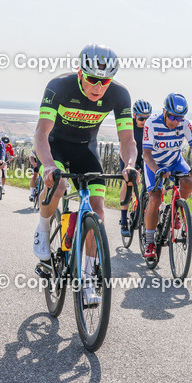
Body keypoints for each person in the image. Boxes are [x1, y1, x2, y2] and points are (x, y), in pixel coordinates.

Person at [32, 44, 137, 305]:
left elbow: (127, 140)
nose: (98, 87)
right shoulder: (59, 87)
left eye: (105, 81)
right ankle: (43, 229)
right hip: (55, 145)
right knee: (57, 187)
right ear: (80, 72)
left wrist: (130, 164)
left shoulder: (120, 95)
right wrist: (47, 165)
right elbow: (41, 134)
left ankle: (89, 278)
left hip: (85, 149)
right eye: (92, 79)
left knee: (98, 210)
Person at [141, 93, 192, 260]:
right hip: (154, 162)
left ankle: (176, 209)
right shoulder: (152, 123)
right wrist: (157, 170)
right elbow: (146, 154)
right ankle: (149, 242)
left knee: (188, 183)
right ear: (164, 111)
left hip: (175, 161)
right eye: (172, 116)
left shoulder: (184, 124)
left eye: (179, 117)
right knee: (155, 197)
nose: (175, 121)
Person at [119, 99, 151, 237]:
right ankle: (124, 219)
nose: (144, 121)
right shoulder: (128, 127)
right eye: (141, 118)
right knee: (128, 184)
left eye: (147, 118)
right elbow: (123, 146)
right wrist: (129, 165)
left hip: (145, 158)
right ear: (134, 115)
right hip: (128, 158)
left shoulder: (151, 128)